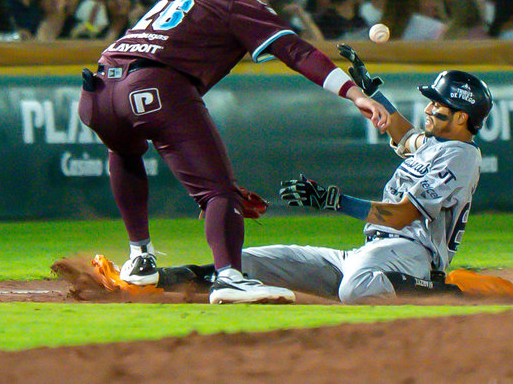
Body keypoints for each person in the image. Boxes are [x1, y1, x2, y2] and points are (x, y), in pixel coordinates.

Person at [77, 0, 391, 304]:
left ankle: (140, 257)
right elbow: (296, 51)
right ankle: (229, 277)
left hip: (99, 89)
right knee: (218, 191)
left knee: (125, 153)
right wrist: (353, 92)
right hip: (154, 86)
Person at [149, 51, 493, 304]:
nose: (429, 108)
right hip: (372, 252)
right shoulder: (436, 144)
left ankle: (439, 289)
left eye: (438, 104)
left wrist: (334, 201)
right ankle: (162, 281)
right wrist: (372, 93)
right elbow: (405, 135)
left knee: (357, 288)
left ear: (462, 118)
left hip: (413, 255)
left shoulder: (462, 156)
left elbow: (402, 215)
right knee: (248, 261)